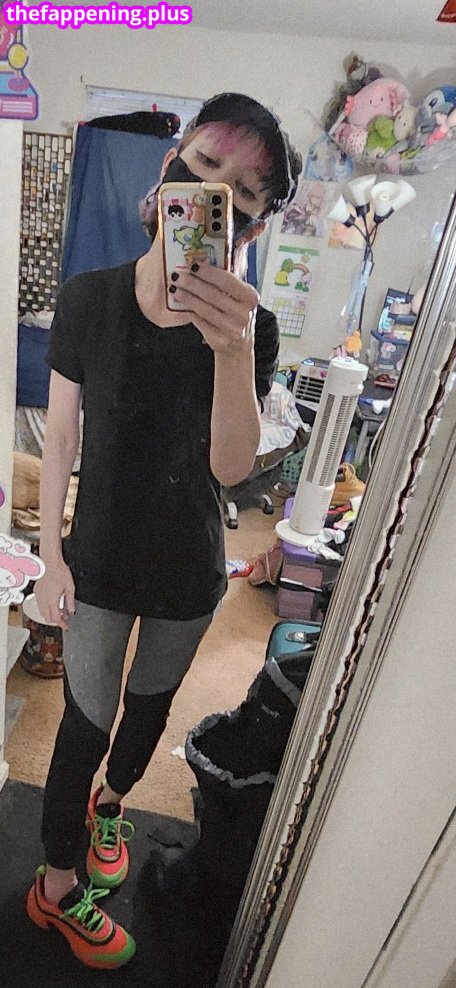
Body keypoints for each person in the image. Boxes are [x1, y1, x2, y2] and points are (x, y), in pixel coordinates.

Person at [27, 92, 302, 970]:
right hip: (98, 560)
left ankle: (112, 806)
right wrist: (49, 557)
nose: (217, 189)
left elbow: (231, 467)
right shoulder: (89, 299)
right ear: (170, 167)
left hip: (188, 567)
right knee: (82, 722)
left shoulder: (251, 327)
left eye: (244, 192)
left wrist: (232, 349)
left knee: (148, 714)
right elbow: (60, 439)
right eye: (208, 163)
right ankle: (55, 888)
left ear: (252, 225)